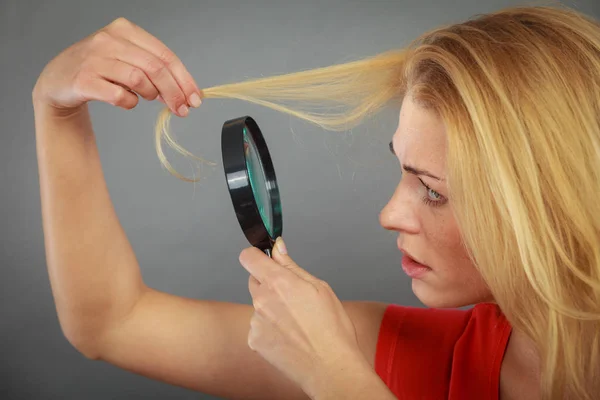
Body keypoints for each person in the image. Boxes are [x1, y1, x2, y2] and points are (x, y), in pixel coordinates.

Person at [32, 4, 600, 400]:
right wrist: (55, 109)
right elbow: (112, 322)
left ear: (548, 205)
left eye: (433, 191)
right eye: (401, 170)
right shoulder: (416, 352)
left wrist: (335, 378)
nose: (388, 215)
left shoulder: (341, 360)